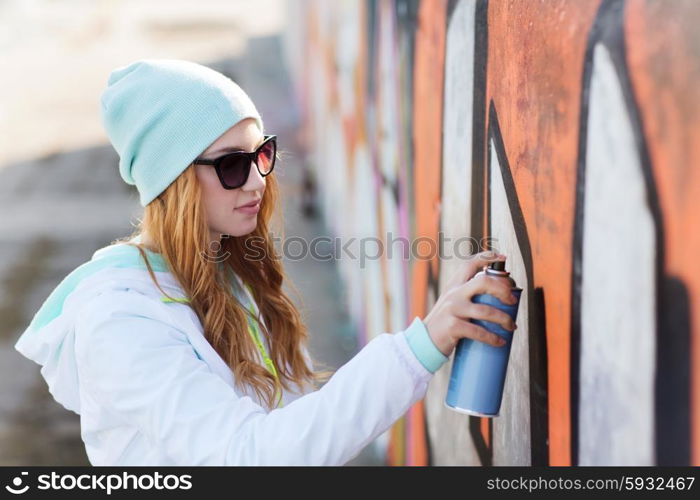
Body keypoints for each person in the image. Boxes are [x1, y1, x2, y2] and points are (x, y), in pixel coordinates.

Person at [13, 59, 517, 466]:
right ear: (174, 182)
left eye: (261, 154)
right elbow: (248, 457)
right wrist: (421, 346)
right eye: (231, 164)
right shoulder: (120, 322)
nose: (257, 181)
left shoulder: (228, 274)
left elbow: (295, 427)